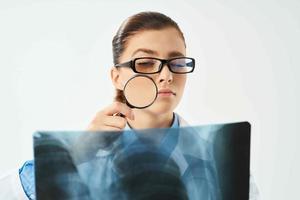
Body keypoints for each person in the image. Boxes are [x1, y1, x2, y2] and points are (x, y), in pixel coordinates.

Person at [0, 11, 259, 199]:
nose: (166, 76)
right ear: (117, 76)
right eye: (145, 62)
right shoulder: (82, 155)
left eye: (177, 63)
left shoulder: (222, 163)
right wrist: (74, 155)